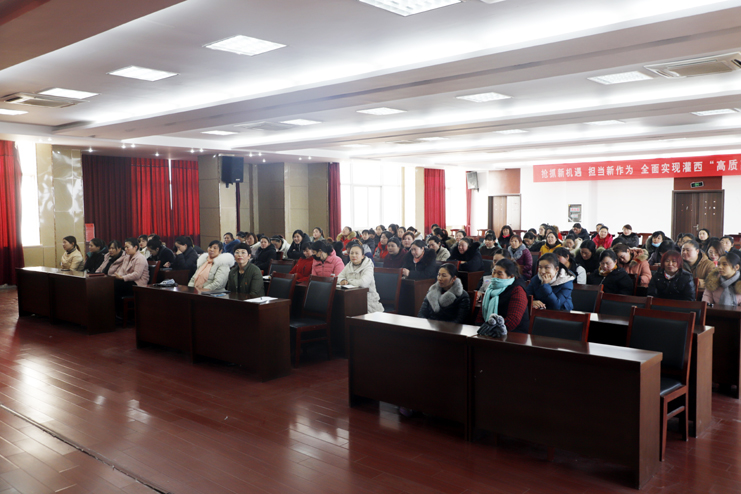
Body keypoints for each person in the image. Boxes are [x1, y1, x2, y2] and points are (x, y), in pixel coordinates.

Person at [480, 259, 529, 333]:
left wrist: (493, 329)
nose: (495, 276)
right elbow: (481, 312)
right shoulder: (491, 288)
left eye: (499, 274)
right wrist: (480, 326)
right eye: (494, 272)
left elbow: (513, 320)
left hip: (513, 332)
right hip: (490, 330)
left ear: (511, 276)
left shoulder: (517, 290)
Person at [338, 244, 384, 313]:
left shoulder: (368, 266)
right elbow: (338, 277)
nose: (353, 255)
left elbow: (363, 283)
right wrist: (342, 280)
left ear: (362, 256)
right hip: (350, 298)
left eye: (356, 253)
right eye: (351, 253)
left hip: (367, 300)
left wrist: (348, 281)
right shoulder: (349, 265)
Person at [112, 238, 150, 308]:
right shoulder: (127, 257)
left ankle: (118, 310)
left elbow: (137, 275)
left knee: (115, 285)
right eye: (125, 247)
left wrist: (122, 278)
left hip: (138, 283)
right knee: (112, 283)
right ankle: (116, 309)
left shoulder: (140, 258)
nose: (125, 249)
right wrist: (118, 276)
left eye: (127, 247)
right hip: (129, 281)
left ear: (135, 247)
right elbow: (122, 270)